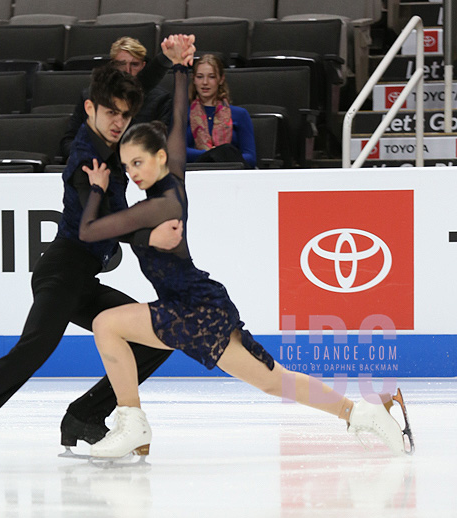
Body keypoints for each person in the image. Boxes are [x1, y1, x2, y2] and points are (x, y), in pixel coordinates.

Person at [77, 52, 412, 459]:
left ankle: (132, 421)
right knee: (274, 381)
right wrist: (181, 69)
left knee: (106, 324)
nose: (132, 172)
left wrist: (97, 188)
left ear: (160, 157)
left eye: (138, 162)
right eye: (127, 165)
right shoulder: (173, 180)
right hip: (200, 306)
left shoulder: (158, 207)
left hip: (191, 309)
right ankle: (363, 413)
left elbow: (90, 231)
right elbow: (180, 121)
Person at [0, 35, 197, 471]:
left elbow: (133, 93)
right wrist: (147, 238)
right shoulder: (88, 158)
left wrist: (165, 58)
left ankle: (85, 415)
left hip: (83, 278)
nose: (121, 121)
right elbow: (106, 219)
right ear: (90, 110)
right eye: (112, 114)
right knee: (31, 351)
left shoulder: (113, 131)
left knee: (165, 333)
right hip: (63, 270)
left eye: (126, 114)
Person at [60, 36, 174, 161]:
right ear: (112, 65)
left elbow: (163, 144)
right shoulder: (90, 95)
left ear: (143, 66)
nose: (128, 70)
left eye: (134, 64)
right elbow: (68, 142)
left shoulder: (161, 99)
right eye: (121, 64)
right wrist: (91, 154)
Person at [186, 54, 257, 169]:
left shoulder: (240, 115)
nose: (205, 82)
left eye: (211, 77)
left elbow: (250, 157)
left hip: (233, 177)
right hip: (195, 175)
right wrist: (214, 154)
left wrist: (221, 156)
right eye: (200, 77)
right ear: (193, 79)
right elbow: (178, 153)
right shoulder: (183, 115)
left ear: (221, 79)